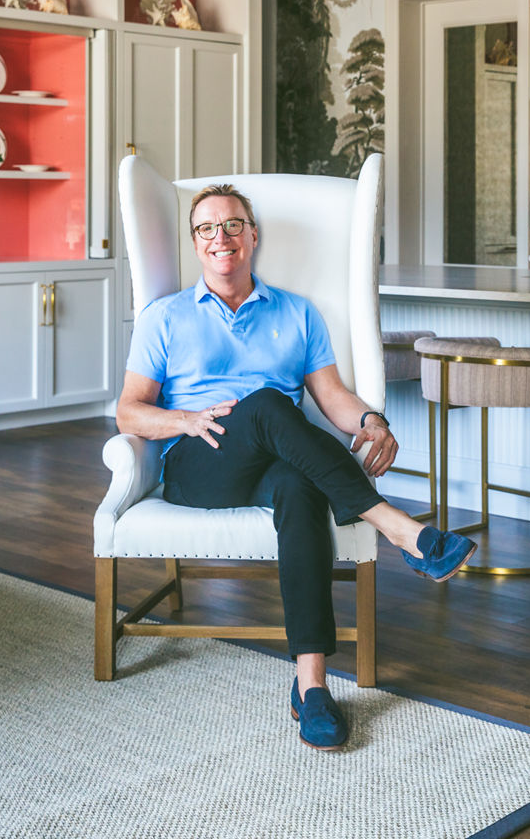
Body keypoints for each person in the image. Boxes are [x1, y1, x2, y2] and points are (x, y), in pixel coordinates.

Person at [117, 182, 476, 751]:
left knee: (298, 484)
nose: (221, 237)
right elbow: (128, 412)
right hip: (197, 463)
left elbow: (333, 398)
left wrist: (372, 422)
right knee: (265, 403)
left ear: (253, 235)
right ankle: (401, 529)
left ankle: (310, 686)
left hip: (269, 459)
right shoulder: (166, 317)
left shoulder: (297, 312)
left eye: (233, 224)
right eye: (207, 228)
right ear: (195, 243)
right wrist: (184, 421)